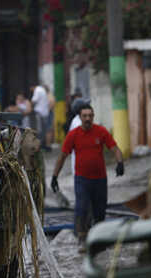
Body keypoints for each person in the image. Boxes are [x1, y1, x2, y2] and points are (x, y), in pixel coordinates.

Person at [50, 104, 124, 252]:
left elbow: (115, 148)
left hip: (100, 179)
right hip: (82, 179)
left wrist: (120, 162)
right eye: (85, 116)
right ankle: (82, 240)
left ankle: (99, 240)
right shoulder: (73, 135)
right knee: (82, 208)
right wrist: (54, 177)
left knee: (99, 211)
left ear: (93, 117)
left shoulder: (101, 131)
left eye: (90, 115)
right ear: (80, 117)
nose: (88, 118)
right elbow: (62, 156)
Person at [30, 84, 51, 150]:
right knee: (44, 130)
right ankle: (43, 145)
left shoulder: (37, 90)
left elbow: (33, 100)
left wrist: (30, 106)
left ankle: (39, 146)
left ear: (33, 87)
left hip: (39, 113)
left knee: (38, 130)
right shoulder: (42, 90)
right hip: (45, 113)